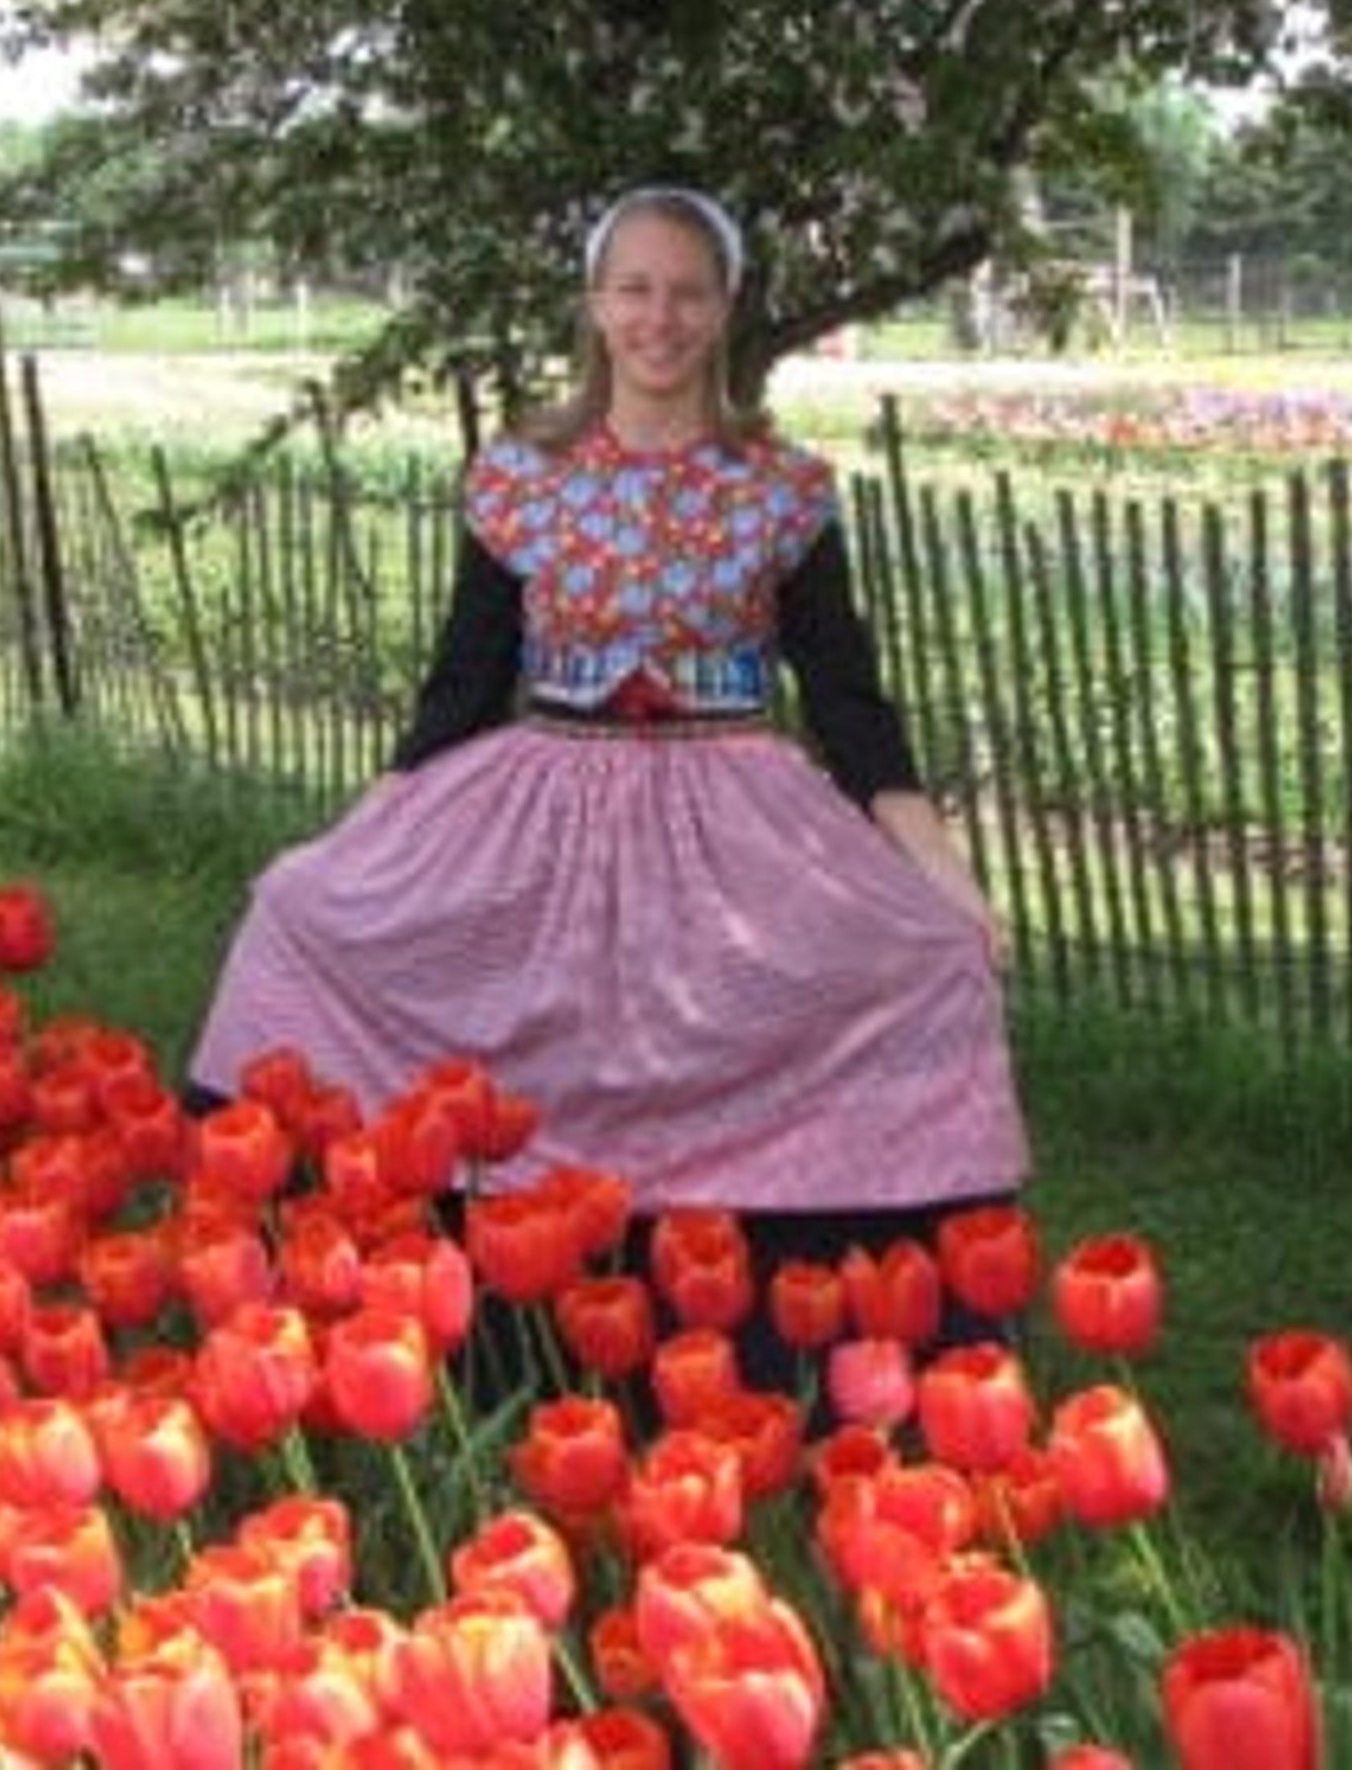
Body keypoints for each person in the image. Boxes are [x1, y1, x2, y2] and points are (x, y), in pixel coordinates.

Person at [185, 184, 1027, 1382]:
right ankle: (461, 1305)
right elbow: (460, 691)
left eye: (688, 291)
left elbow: (850, 707)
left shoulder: (781, 490)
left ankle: (775, 1320)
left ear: (726, 309)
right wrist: (336, 851)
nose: (660, 316)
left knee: (891, 979)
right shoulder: (519, 480)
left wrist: (949, 885)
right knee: (313, 925)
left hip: (735, 817)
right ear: (595, 304)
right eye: (635, 288)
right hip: (546, 808)